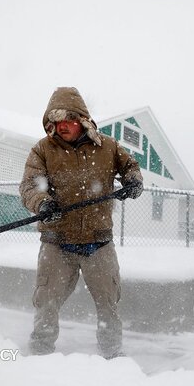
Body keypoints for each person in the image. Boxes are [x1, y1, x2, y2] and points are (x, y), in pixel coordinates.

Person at [19, 87, 143, 358]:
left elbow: (131, 166)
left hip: (98, 243)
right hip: (56, 242)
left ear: (83, 120)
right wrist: (43, 203)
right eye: (56, 120)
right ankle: (40, 354)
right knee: (46, 303)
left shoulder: (108, 147)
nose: (62, 126)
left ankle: (112, 355)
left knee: (109, 304)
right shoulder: (43, 149)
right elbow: (29, 185)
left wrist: (133, 180)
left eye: (68, 119)